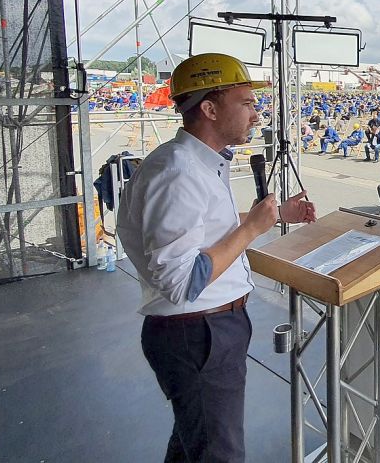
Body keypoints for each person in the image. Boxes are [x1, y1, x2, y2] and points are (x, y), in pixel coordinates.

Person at [117, 53, 316, 462]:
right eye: (245, 103)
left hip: (203, 331)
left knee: (194, 442)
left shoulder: (194, 165)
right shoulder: (178, 173)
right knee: (218, 453)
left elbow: (207, 228)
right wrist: (251, 229)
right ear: (209, 108)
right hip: (198, 335)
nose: (255, 114)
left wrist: (278, 214)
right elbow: (182, 281)